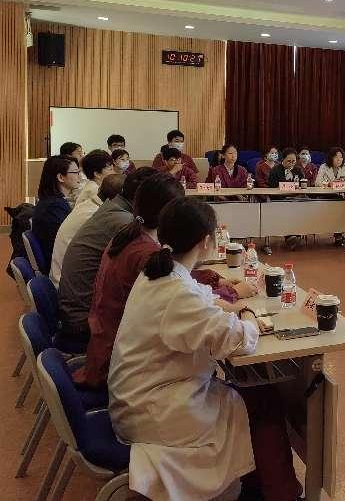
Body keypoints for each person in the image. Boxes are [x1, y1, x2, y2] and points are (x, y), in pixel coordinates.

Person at [108, 197, 303, 501]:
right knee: (263, 400)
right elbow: (238, 340)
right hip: (154, 411)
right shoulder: (176, 292)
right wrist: (248, 314)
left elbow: (202, 298)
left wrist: (229, 305)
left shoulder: (158, 272)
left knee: (254, 395)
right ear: (206, 242)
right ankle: (280, 494)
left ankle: (262, 488)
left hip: (141, 392)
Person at [77, 174, 257, 389]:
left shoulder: (149, 256)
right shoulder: (149, 258)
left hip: (120, 358)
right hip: (135, 380)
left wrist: (224, 295)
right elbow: (240, 339)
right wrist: (246, 310)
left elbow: (195, 293)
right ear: (206, 241)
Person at [58, 167, 157, 349]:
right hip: (84, 320)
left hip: (78, 308)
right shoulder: (124, 221)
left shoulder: (112, 208)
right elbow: (152, 269)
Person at [50, 173, 125, 286]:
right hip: (66, 282)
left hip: (66, 275)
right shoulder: (98, 215)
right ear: (118, 199)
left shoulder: (89, 205)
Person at [31, 155, 80, 262]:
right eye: (76, 172)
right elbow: (66, 240)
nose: (79, 177)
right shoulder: (54, 207)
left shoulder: (51, 201)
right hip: (59, 262)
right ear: (61, 177)